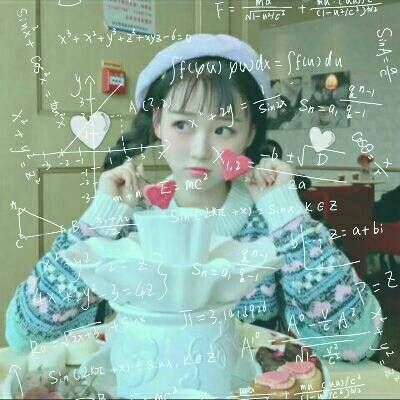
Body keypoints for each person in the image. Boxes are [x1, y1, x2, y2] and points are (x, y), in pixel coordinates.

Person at [6, 34, 382, 364]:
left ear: (251, 133)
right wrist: (102, 218)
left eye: (224, 129)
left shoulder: (271, 226)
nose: (200, 151)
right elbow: (26, 335)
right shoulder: (129, 222)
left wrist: (285, 215)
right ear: (157, 123)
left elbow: (356, 341)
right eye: (182, 124)